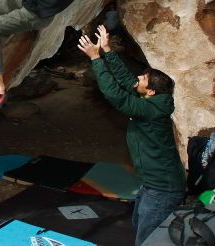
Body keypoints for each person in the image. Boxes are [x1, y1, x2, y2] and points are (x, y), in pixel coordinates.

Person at [78, 25, 186, 245]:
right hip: (152, 184)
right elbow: (127, 81)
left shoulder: (150, 110)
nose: (138, 78)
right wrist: (107, 50)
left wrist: (96, 60)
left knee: (148, 239)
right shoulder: (151, 100)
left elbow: (115, 95)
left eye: (143, 79)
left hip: (163, 190)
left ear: (151, 91)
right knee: (140, 227)